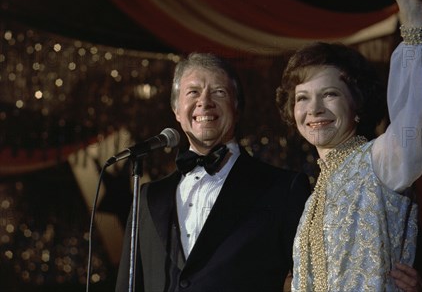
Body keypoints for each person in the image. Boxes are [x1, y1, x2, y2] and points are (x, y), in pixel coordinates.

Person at [275, 0, 422, 291]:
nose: (313, 109)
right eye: (302, 98)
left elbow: (417, 115)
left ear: (356, 103)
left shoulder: (379, 160)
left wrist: (412, 11)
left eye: (329, 94)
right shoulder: (314, 196)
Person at [115, 53, 311, 292]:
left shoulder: (283, 189)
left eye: (219, 92)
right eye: (193, 92)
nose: (204, 101)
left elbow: (311, 279)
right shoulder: (147, 198)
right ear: (176, 110)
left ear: (237, 108)